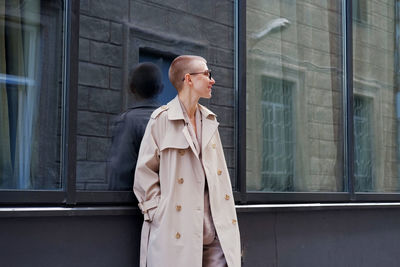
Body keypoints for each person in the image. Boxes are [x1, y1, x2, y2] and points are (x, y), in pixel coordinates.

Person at [134, 55, 241, 267]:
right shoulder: (161, 120)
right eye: (207, 74)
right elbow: (144, 174)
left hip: (215, 233)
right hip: (177, 232)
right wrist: (159, 213)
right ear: (189, 79)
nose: (212, 80)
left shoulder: (210, 120)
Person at [108, 62, 163, 191]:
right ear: (160, 88)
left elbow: (120, 170)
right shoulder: (173, 121)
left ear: (131, 88)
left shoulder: (128, 121)